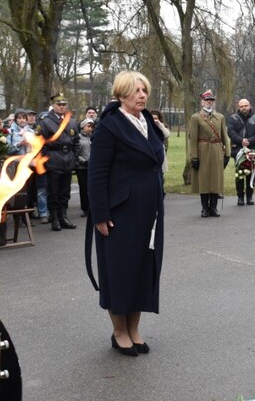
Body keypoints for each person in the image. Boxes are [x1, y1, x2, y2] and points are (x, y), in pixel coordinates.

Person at [86, 71, 165, 357]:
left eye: (145, 90)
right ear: (121, 94)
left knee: (142, 269)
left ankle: (134, 329)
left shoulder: (148, 123)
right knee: (119, 271)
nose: (142, 95)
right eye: (136, 91)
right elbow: (96, 174)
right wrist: (99, 213)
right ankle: (119, 331)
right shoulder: (109, 126)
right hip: (119, 212)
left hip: (149, 210)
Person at [36, 93, 80, 231]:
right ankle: (54, 219)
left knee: (65, 192)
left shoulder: (71, 121)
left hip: (68, 159)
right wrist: (45, 159)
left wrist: (75, 156)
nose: (61, 107)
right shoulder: (45, 122)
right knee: (53, 191)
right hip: (53, 157)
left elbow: (76, 141)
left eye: (63, 105)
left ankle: (63, 217)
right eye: (59, 105)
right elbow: (39, 143)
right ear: (53, 106)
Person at [187, 90, 229, 217]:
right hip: (203, 151)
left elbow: (225, 136)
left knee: (215, 179)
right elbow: (192, 139)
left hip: (216, 150)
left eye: (211, 100)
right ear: (202, 102)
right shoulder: (196, 117)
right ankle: (205, 208)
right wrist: (194, 157)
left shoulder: (220, 117)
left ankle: (214, 208)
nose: (209, 102)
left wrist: (227, 154)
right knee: (204, 180)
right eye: (207, 100)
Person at [228, 99, 255, 206]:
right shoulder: (233, 118)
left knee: (251, 174)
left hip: (252, 149)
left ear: (250, 106)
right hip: (238, 149)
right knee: (240, 174)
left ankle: (249, 196)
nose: (244, 108)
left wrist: (250, 141)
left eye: (246, 105)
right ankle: (240, 197)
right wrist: (241, 140)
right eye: (241, 106)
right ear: (239, 107)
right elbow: (230, 132)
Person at [76, 118, 95, 217]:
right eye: (88, 126)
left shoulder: (93, 137)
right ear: (83, 127)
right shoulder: (78, 137)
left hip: (92, 166)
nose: (90, 129)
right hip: (82, 167)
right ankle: (85, 208)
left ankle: (92, 207)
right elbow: (76, 152)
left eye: (91, 127)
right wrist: (84, 161)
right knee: (84, 189)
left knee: (92, 188)